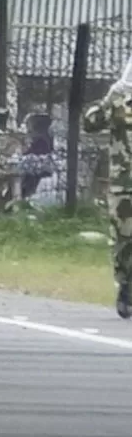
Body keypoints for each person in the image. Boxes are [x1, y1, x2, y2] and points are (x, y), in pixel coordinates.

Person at [84, 82, 132, 317]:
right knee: (124, 238)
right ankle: (126, 285)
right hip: (125, 183)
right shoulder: (120, 100)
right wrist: (108, 99)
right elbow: (91, 123)